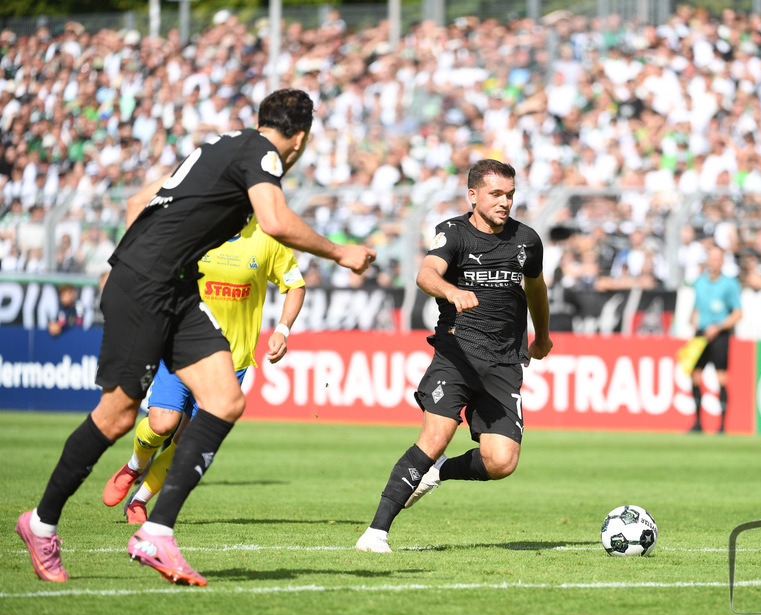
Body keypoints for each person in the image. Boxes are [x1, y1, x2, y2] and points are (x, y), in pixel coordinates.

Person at [15, 89, 376, 586]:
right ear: (302, 139)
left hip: (175, 286)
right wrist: (341, 253)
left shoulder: (219, 146)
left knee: (225, 400)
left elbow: (141, 201)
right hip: (148, 286)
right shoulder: (264, 153)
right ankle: (40, 523)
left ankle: (156, 533)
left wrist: (142, 256)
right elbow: (274, 220)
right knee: (118, 414)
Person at [355, 159, 552, 554]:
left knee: (501, 462)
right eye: (496, 194)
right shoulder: (453, 233)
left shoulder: (527, 240)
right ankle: (375, 534)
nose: (505, 202)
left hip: (503, 362)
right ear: (473, 195)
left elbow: (536, 289)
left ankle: (440, 471)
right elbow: (426, 273)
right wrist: (451, 291)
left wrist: (542, 336)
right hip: (456, 354)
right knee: (434, 437)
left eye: (510, 194)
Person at [101, 216, 306, 524]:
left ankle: (139, 500)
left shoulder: (266, 239)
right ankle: (134, 465)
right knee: (161, 424)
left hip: (230, 361)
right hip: (182, 347)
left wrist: (283, 330)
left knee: (189, 442)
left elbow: (295, 285)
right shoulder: (198, 226)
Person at [690, 246, 742, 433]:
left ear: (722, 261)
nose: (714, 262)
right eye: (712, 258)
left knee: (721, 377)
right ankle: (697, 423)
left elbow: (737, 313)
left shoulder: (730, 284)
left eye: (718, 258)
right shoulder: (700, 282)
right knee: (695, 376)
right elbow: (696, 308)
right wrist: (693, 322)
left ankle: (722, 426)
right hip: (701, 334)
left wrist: (719, 326)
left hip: (719, 334)